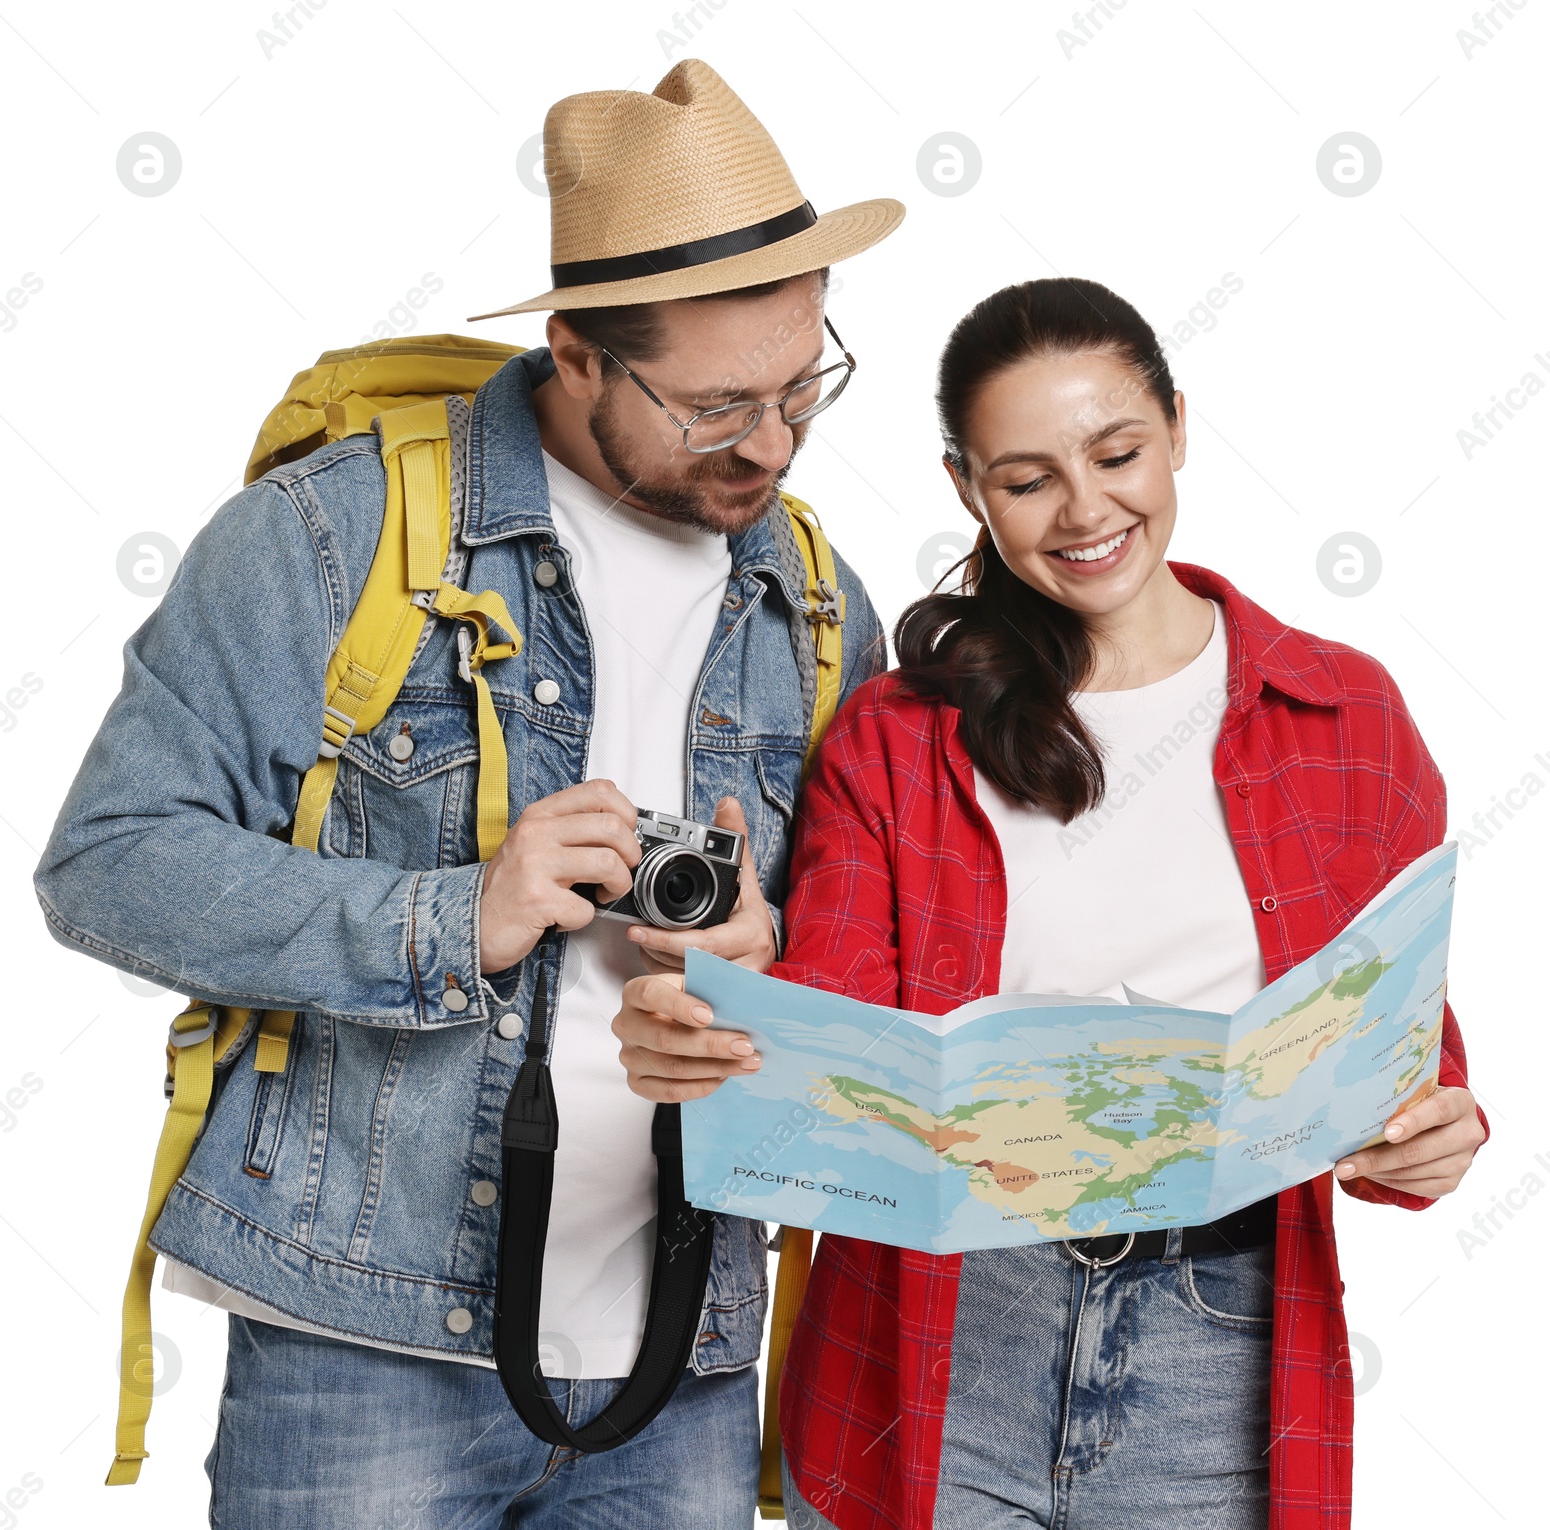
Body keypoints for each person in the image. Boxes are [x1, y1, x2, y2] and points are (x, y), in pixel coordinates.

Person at [33, 59, 897, 1529]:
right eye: (714, 407)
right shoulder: (333, 532)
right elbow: (107, 862)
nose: (771, 443)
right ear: (574, 352)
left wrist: (762, 962)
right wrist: (459, 912)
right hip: (361, 1347)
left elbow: (858, 958)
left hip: (682, 1363)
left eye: (803, 384)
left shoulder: (811, 599)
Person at [612, 277, 1488, 1530]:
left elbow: (1409, 1057)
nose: (1086, 512)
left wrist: (1432, 1138)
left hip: (1218, 1347)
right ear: (967, 487)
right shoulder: (897, 736)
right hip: (936, 1332)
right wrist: (730, 1008)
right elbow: (835, 1030)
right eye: (1025, 481)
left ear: (1177, 430)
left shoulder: (1343, 720)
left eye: (1118, 452)